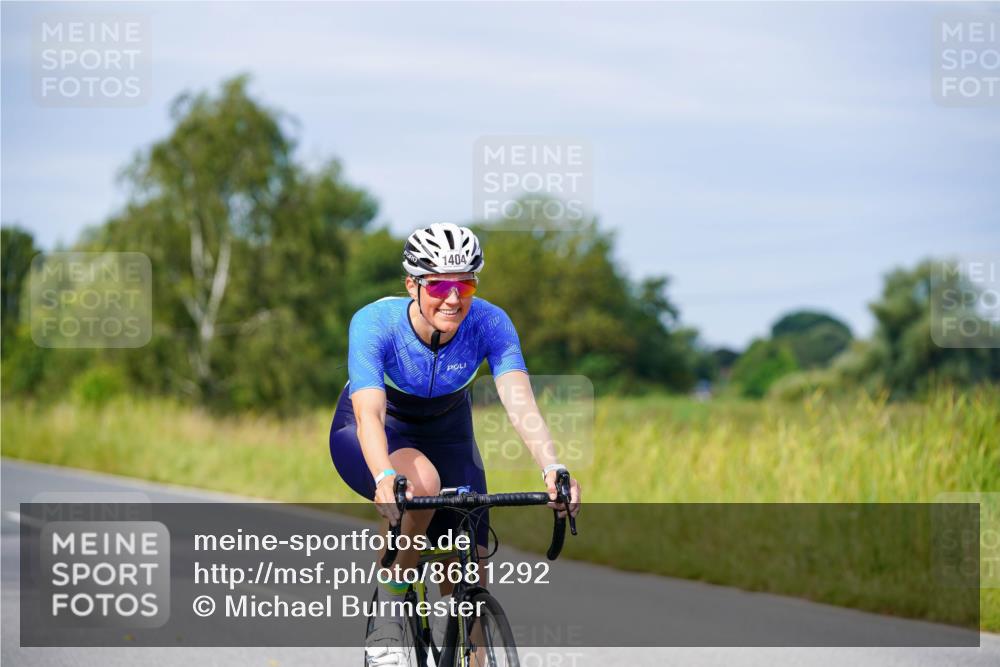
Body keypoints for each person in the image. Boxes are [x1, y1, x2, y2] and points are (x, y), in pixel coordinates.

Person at [329, 222, 581, 666]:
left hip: (448, 431)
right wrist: (386, 477)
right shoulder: (374, 323)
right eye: (439, 284)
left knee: (468, 569)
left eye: (464, 283)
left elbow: (519, 400)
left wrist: (552, 468)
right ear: (412, 284)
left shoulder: (489, 321)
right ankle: (390, 608)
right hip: (377, 427)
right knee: (421, 485)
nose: (453, 297)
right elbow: (369, 412)